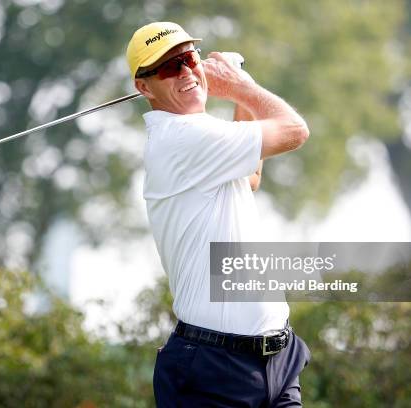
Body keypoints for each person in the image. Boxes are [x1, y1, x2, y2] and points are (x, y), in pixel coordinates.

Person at [126, 21, 311, 407]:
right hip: (213, 369)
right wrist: (239, 86)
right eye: (167, 68)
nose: (185, 72)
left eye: (188, 58)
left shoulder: (199, 134)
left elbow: (252, 175)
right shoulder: (180, 138)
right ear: (144, 87)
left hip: (277, 358)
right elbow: (295, 130)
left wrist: (240, 89)